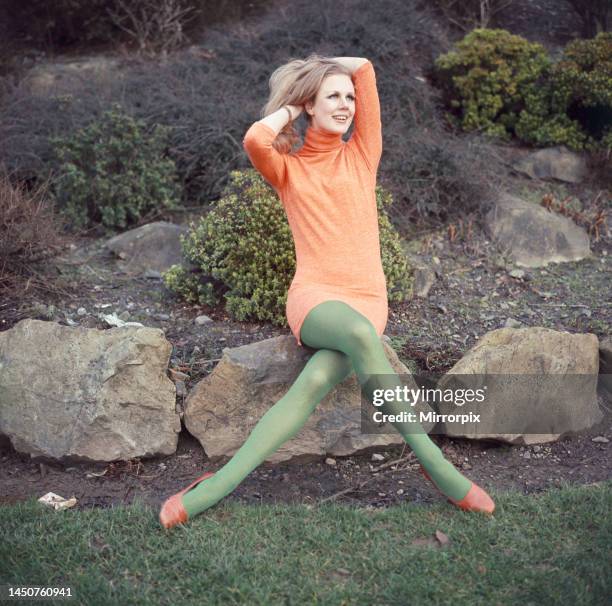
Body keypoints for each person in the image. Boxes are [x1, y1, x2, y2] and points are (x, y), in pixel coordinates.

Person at [159, 53, 495, 529]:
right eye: (331, 97)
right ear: (308, 107)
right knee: (360, 336)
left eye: (348, 98)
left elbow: (365, 67)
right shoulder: (288, 170)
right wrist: (294, 103)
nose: (345, 105)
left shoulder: (362, 153)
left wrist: (323, 65)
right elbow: (256, 137)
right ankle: (436, 464)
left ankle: (217, 485)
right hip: (315, 299)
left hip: (367, 300)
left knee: (313, 384)